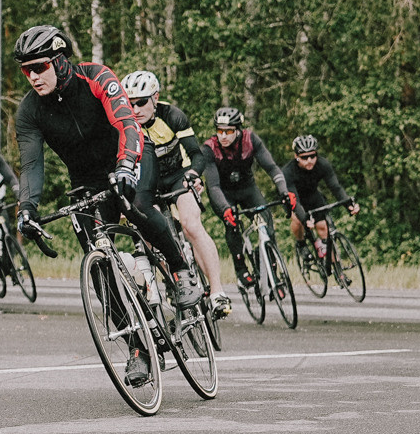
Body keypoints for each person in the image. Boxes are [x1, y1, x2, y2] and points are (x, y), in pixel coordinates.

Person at [13, 24, 198, 388]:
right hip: (86, 180)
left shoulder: (96, 76)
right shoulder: (29, 111)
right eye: (26, 70)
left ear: (60, 61)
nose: (33, 77)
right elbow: (31, 164)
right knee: (98, 264)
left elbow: (126, 122)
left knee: (136, 206)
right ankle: (137, 348)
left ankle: (180, 271)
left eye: (39, 67)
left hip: (129, 156)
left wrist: (126, 164)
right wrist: (27, 209)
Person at [120, 71, 229, 319]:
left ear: (155, 98)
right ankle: (170, 281)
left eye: (141, 102)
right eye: (130, 103)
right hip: (149, 184)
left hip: (178, 176)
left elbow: (197, 154)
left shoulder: (172, 116)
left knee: (191, 225)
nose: (135, 109)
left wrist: (193, 174)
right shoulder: (125, 123)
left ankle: (217, 292)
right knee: (150, 234)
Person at [191, 106, 291, 287]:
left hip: (248, 189)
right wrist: (225, 209)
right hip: (223, 194)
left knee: (267, 224)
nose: (223, 136)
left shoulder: (250, 140)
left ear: (238, 130)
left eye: (229, 131)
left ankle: (271, 273)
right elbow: (213, 186)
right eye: (220, 131)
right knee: (233, 225)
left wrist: (284, 191)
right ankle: (241, 269)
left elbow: (272, 168)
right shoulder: (209, 148)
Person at [283, 134, 357, 268]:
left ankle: (337, 269)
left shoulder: (322, 164)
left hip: (312, 196)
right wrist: (304, 219)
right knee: (297, 220)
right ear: (296, 156)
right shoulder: (288, 172)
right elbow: (295, 201)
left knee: (323, 228)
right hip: (294, 199)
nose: (309, 160)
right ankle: (301, 244)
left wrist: (349, 205)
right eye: (304, 157)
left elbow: (335, 187)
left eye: (313, 156)